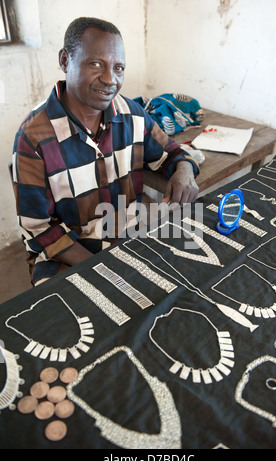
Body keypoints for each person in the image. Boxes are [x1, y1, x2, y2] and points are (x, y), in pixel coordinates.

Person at [12, 17, 200, 286]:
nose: (111, 79)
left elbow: (172, 152)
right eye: (96, 64)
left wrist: (183, 170)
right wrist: (103, 267)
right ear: (65, 60)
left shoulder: (131, 115)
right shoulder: (34, 138)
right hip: (66, 256)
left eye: (119, 67)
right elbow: (40, 231)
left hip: (128, 238)